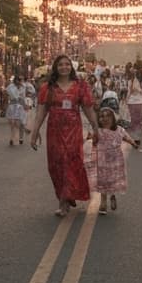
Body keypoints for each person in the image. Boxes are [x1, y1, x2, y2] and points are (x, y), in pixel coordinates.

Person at [28, 54, 99, 217]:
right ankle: (66, 194)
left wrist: (96, 128)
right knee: (56, 164)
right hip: (54, 131)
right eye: (60, 65)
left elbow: (88, 109)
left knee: (71, 162)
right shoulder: (49, 87)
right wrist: (35, 131)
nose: (64, 67)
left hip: (74, 130)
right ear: (55, 68)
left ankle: (64, 200)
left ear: (71, 67)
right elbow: (41, 111)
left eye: (67, 64)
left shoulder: (80, 86)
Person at [90, 107, 130, 215]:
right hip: (102, 162)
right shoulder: (98, 131)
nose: (105, 118)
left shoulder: (119, 130)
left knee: (112, 180)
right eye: (102, 116)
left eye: (108, 116)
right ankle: (103, 203)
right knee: (103, 181)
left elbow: (126, 137)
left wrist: (134, 144)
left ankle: (112, 196)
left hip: (115, 162)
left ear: (113, 118)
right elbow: (94, 142)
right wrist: (92, 139)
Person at [124, 66, 142, 150]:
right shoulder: (140, 80)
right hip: (139, 101)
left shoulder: (132, 81)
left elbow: (129, 92)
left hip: (134, 101)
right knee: (138, 120)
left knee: (135, 120)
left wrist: (126, 100)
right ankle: (137, 137)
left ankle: (135, 137)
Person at [5, 76, 28, 147]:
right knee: (13, 123)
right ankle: (12, 138)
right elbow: (10, 95)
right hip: (13, 106)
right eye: (17, 80)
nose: (19, 82)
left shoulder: (23, 87)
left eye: (20, 80)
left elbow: (23, 97)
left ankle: (21, 138)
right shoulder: (10, 87)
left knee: (21, 123)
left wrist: (25, 105)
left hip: (21, 106)